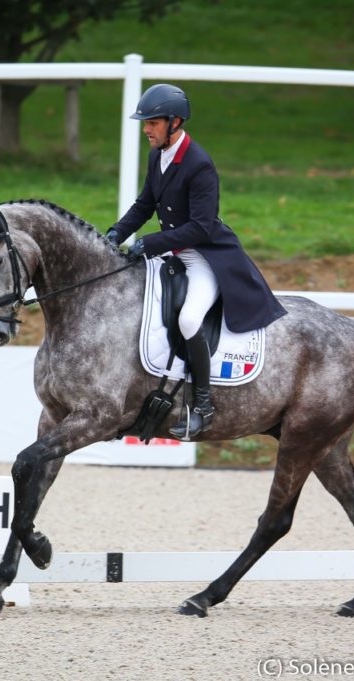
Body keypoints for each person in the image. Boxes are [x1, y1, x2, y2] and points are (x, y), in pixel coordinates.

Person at [106, 83, 287, 440]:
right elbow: (146, 204)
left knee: (189, 319)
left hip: (204, 257)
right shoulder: (157, 154)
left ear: (174, 122)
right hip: (173, 254)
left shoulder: (199, 164)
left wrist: (150, 243)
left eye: (152, 123)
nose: (146, 129)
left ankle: (203, 406)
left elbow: (201, 227)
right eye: (145, 123)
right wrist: (116, 233)